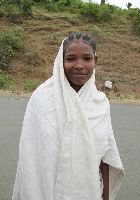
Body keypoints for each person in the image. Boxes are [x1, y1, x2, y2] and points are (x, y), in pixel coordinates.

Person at [12, 32, 124, 200]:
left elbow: (104, 156)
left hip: (88, 192)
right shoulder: (42, 98)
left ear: (96, 61)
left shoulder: (100, 103)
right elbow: (30, 155)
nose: (79, 65)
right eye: (71, 59)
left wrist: (106, 197)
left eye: (87, 58)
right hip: (45, 191)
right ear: (60, 61)